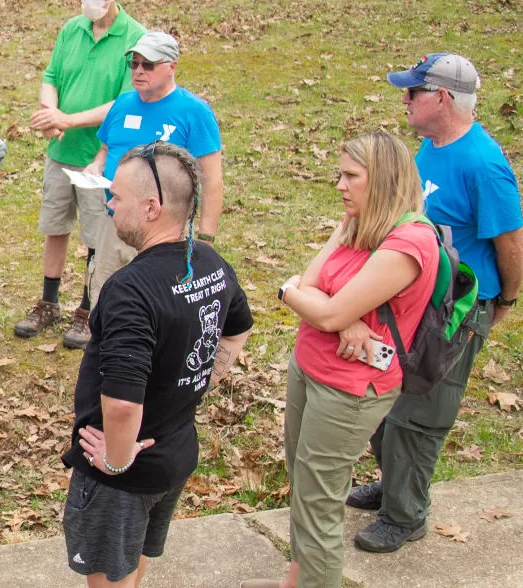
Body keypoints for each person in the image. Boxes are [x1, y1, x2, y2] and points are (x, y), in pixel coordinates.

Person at [242, 133, 442, 588]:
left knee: (319, 501)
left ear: (385, 180)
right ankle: (297, 579)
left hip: (349, 390)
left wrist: (294, 294)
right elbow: (317, 287)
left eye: (351, 176)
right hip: (310, 367)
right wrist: (333, 312)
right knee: (304, 484)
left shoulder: (409, 243)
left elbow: (319, 302)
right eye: (340, 174)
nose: (340, 185)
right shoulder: (356, 223)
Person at [349, 53, 523, 553]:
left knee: (419, 414)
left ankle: (405, 517)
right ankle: (395, 485)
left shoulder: (484, 165)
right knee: (385, 399)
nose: (403, 100)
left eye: (412, 93)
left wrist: (503, 302)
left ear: (442, 98)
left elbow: (512, 244)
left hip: (456, 311)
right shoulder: (430, 146)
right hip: (414, 303)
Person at [64, 142, 253, 588]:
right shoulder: (208, 261)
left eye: (117, 197)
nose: (108, 205)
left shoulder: (130, 290)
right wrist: (200, 380)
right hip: (174, 453)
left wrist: (114, 461)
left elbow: (124, 404)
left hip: (125, 476)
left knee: (111, 574)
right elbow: (238, 327)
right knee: (131, 565)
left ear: (152, 207)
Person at [68, 32, 226, 350]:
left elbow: (211, 179)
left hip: (164, 231)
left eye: (148, 64)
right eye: (134, 63)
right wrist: (97, 165)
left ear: (172, 67)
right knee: (107, 291)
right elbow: (104, 147)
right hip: (115, 223)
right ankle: (108, 352)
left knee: (160, 299)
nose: (139, 70)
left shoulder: (194, 111)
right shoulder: (123, 104)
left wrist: (206, 237)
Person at [19, 0, 148, 347]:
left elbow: (123, 103)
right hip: (62, 150)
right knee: (55, 226)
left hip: (103, 158)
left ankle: (88, 309)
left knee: (97, 237)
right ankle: (49, 301)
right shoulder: (71, 30)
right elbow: (51, 78)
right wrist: (50, 115)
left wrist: (68, 118)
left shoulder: (134, 39)